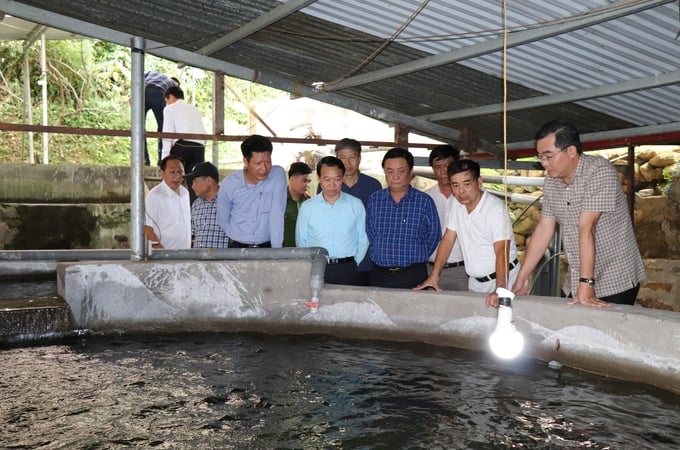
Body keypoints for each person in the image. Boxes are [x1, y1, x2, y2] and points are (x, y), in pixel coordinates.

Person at [512, 119, 645, 306]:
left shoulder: (598, 171)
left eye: (549, 156)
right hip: (576, 277)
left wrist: (587, 283)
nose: (543, 163)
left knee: (602, 334)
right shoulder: (552, 181)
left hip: (615, 278)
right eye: (540, 157)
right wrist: (522, 276)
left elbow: (587, 228)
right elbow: (544, 228)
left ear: (571, 151)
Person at [415, 159, 521, 305]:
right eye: (455, 185)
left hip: (504, 280)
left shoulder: (495, 209)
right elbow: (448, 239)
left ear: (479, 182)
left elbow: (502, 251)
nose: (461, 191)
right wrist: (434, 275)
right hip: (475, 282)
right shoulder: (456, 203)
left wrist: (500, 288)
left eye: (467, 184)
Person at [366, 147, 440, 289]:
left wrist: (416, 254)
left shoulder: (424, 201)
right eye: (390, 171)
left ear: (410, 172)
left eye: (401, 171)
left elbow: (433, 236)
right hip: (379, 274)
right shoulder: (375, 200)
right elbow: (371, 232)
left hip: (413, 274)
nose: (395, 176)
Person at [296, 156, 369, 285]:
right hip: (318, 268)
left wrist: (354, 262)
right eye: (327, 179)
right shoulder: (308, 207)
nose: (332, 184)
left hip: (348, 269)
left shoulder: (356, 204)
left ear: (343, 178)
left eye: (337, 179)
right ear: (319, 178)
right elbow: (302, 241)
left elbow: (363, 238)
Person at [216, 134, 287, 248]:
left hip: (267, 246)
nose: (264, 168)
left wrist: (276, 250)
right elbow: (222, 219)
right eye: (258, 163)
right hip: (237, 246)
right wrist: (239, 236)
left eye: (268, 162)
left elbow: (277, 213)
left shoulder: (277, 176)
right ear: (245, 161)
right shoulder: (230, 183)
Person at [333, 138, 383, 284]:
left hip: (368, 260)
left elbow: (377, 223)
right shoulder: (330, 186)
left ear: (359, 158)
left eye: (352, 158)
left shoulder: (373, 186)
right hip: (339, 259)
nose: (347, 163)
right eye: (342, 158)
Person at [425, 144, 468, 291]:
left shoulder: (469, 197)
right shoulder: (425, 198)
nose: (443, 171)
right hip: (430, 270)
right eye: (437, 167)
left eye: (447, 165)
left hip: (463, 271)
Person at [161, 85, 206, 204]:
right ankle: (195, 211)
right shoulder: (195, 109)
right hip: (199, 147)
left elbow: (168, 133)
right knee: (195, 182)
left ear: (170, 96)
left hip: (183, 146)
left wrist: (164, 158)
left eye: (167, 101)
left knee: (173, 179)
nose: (167, 104)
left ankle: (171, 207)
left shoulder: (170, 109)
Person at [144, 155, 191, 249]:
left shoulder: (185, 193)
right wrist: (162, 254)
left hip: (185, 254)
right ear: (162, 173)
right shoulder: (155, 196)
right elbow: (147, 229)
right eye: (172, 172)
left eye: (180, 172)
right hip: (165, 255)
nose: (177, 176)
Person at [185, 161, 229, 249]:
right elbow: (193, 232)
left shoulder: (229, 202)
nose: (192, 186)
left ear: (208, 180)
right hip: (199, 260)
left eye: (195, 181)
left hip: (222, 260)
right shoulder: (196, 204)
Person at [142, 70, 178, 166]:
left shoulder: (152, 73)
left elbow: (138, 76)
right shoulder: (172, 85)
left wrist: (133, 95)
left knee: (139, 127)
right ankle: (161, 159)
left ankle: (143, 159)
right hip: (158, 93)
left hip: (143, 91)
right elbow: (172, 104)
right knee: (162, 127)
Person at [283, 162, 312, 247]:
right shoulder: (278, 201)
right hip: (282, 254)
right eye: (304, 181)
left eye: (309, 181)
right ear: (292, 179)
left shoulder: (310, 202)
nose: (307, 185)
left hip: (306, 253)